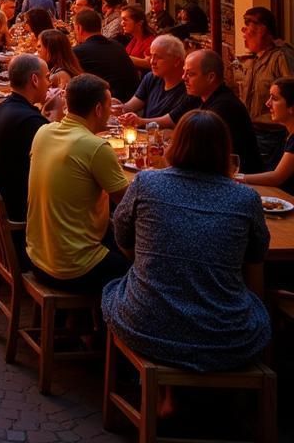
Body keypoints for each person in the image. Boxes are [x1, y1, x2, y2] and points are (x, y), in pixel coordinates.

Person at [103, 110, 270, 376]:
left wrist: (151, 261)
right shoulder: (245, 199)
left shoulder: (147, 182)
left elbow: (122, 236)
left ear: (175, 144)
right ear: (224, 150)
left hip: (145, 322)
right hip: (223, 337)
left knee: (118, 288)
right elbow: (256, 258)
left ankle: (168, 391)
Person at [26, 74, 130, 293]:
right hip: (74, 268)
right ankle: (109, 324)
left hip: (37, 258)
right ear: (99, 109)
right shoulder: (95, 147)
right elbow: (129, 203)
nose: (111, 112)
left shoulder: (43, 131)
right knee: (141, 269)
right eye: (109, 106)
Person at [0, 54, 50, 224]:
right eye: (47, 78)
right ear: (34, 80)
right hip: (20, 211)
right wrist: (55, 112)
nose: (49, 84)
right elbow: (57, 156)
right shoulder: (30, 121)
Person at [180, 49, 264, 174]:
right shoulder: (201, 98)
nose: (183, 78)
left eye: (190, 74)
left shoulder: (224, 107)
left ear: (211, 77)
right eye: (184, 72)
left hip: (238, 180)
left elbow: (202, 154)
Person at [239, 6, 294, 166]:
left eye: (247, 25)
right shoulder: (253, 59)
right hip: (252, 132)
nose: (243, 31)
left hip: (272, 137)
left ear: (262, 29)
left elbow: (290, 92)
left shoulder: (281, 57)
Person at [119, 34, 198, 123]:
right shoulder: (151, 77)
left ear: (177, 61)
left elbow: (171, 121)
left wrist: (140, 121)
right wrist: (116, 106)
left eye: (159, 57)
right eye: (151, 56)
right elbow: (130, 106)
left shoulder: (189, 87)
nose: (152, 61)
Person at [72, 7, 139, 102]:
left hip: (109, 104)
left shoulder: (78, 52)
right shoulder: (117, 45)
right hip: (133, 99)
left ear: (79, 28)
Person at [242, 78, 294, 193]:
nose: (267, 103)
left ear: (292, 108)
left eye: (274, 99)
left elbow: (276, 177)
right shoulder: (286, 134)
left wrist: (236, 177)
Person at [120, 4, 154, 68]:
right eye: (122, 20)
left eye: (125, 20)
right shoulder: (133, 40)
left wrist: (121, 57)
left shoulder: (151, 41)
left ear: (139, 23)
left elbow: (149, 63)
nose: (122, 24)